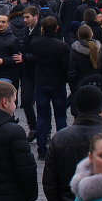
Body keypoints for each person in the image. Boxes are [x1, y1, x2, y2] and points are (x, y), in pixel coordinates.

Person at [32, 16, 70, 161]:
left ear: (42, 28)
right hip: (57, 83)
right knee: (60, 117)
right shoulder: (61, 46)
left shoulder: (36, 44)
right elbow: (65, 67)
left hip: (41, 82)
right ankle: (62, 147)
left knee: (42, 117)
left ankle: (42, 149)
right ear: (56, 28)